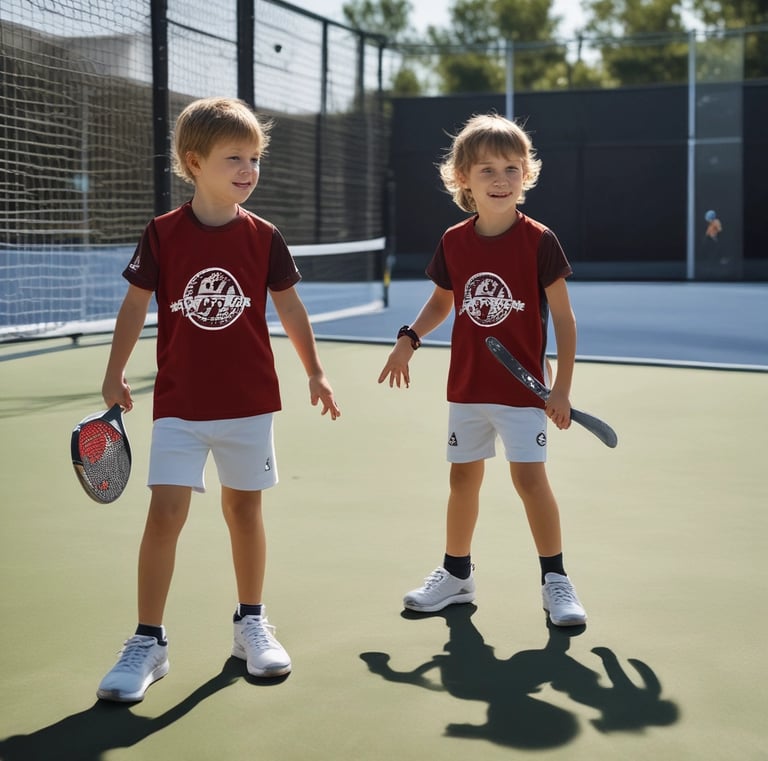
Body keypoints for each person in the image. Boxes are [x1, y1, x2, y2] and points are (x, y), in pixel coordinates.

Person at [96, 97, 341, 702]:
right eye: (235, 158)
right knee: (164, 517)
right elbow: (134, 306)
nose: (248, 170)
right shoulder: (161, 234)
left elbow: (289, 307)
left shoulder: (265, 237)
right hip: (179, 406)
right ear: (194, 161)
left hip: (249, 404)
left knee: (245, 514)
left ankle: (250, 623)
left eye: (255, 158)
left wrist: (315, 371)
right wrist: (114, 372)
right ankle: (148, 641)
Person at [378, 112, 586, 627]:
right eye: (487, 170)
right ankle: (456, 575)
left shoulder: (540, 241)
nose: (500, 180)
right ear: (462, 179)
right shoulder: (453, 241)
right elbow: (441, 303)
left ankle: (555, 580)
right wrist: (409, 338)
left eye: (511, 169)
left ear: (526, 176)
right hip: (468, 389)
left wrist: (559, 389)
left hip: (523, 394)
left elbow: (564, 319)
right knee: (463, 481)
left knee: (530, 481)